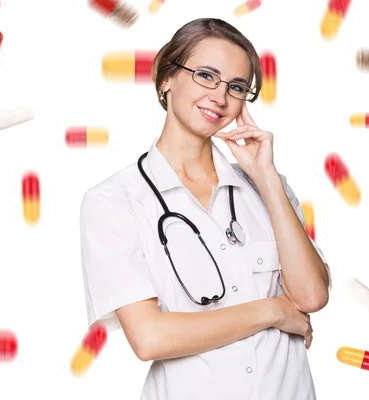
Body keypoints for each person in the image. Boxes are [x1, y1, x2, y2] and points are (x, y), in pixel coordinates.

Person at [79, 17, 331, 400]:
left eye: (236, 86)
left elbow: (312, 296)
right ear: (166, 77)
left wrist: (266, 178)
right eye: (206, 75)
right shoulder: (114, 202)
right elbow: (149, 337)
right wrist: (273, 311)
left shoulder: (267, 187)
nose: (220, 96)